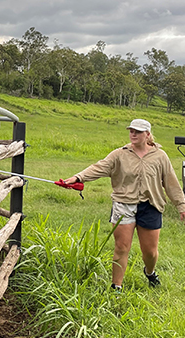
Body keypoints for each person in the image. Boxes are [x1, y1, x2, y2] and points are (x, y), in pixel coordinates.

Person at [63, 119, 185, 290]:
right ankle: (116, 287)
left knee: (149, 252)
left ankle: (149, 272)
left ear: (148, 135)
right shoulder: (120, 154)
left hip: (151, 205)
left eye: (138, 131)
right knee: (121, 247)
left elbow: (171, 183)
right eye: (131, 131)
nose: (133, 134)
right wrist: (78, 177)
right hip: (123, 204)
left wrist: (181, 205)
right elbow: (99, 167)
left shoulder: (160, 156)